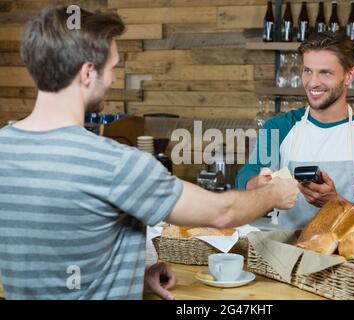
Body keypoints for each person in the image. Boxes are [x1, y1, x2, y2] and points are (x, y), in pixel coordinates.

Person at [0, 6, 300, 300]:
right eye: (112, 68)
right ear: (88, 72)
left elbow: (49, 253)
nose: (114, 80)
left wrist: (128, 276)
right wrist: (273, 194)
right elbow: (222, 213)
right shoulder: (114, 162)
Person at [236, 31, 354, 230]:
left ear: (349, 76)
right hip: (287, 252)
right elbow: (245, 177)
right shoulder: (277, 128)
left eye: (325, 73)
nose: (312, 82)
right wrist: (260, 185)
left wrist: (335, 202)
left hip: (349, 257)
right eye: (307, 71)